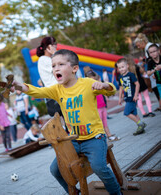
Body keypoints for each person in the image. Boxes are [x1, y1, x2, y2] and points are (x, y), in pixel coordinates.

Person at [12, 49, 122, 195]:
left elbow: (111, 91)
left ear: (74, 68)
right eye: (53, 66)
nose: (56, 68)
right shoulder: (57, 90)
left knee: (98, 167)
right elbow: (37, 91)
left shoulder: (87, 83)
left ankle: (116, 192)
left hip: (94, 138)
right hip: (73, 141)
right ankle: (74, 192)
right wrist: (18, 85)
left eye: (61, 64)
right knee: (55, 170)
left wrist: (104, 85)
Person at [85, 69, 120, 142]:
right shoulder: (89, 89)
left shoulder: (99, 85)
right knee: (100, 124)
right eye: (91, 80)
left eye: (94, 79)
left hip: (102, 107)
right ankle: (102, 137)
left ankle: (109, 135)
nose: (93, 82)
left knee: (105, 122)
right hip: (97, 108)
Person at [117, 58, 146, 136]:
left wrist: (136, 95)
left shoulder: (131, 75)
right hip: (127, 98)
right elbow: (120, 88)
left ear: (127, 66)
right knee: (134, 113)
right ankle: (141, 127)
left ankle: (140, 123)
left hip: (132, 98)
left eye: (123, 67)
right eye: (119, 68)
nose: (121, 69)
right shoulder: (120, 77)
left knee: (126, 112)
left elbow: (137, 84)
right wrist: (120, 98)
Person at [135, 33, 161, 111]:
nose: (139, 47)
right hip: (156, 74)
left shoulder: (149, 47)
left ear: (143, 42)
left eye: (139, 45)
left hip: (157, 74)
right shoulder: (148, 47)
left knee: (155, 88)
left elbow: (151, 60)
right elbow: (150, 62)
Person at [147, 43, 161, 111]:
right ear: (149, 54)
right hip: (159, 84)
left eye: (154, 51)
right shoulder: (150, 62)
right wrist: (154, 70)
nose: (153, 53)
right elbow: (148, 73)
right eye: (151, 52)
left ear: (158, 51)